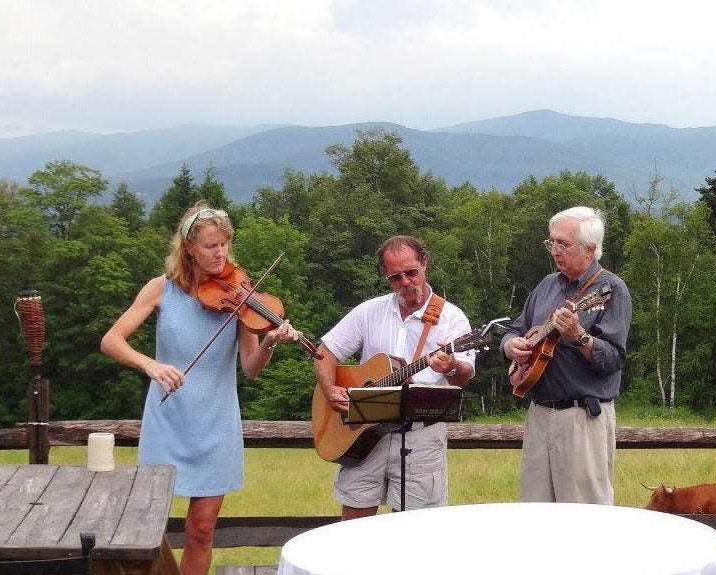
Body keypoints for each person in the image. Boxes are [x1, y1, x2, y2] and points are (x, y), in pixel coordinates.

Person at [100, 203, 301, 575]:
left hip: (217, 422)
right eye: (211, 246)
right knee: (146, 529)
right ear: (189, 248)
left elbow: (251, 368)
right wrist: (151, 364)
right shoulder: (160, 288)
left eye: (225, 244)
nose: (221, 253)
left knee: (202, 530)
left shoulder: (240, 295)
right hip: (168, 419)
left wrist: (270, 342)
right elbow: (111, 340)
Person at [315, 235, 475, 520]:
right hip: (364, 435)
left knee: (416, 533)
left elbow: (464, 376)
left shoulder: (452, 318)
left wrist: (450, 366)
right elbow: (325, 352)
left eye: (411, 272)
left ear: (425, 264)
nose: (405, 282)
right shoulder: (370, 311)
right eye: (395, 277)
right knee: (353, 529)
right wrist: (329, 389)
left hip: (421, 436)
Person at [501, 206, 632, 504]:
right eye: (552, 242)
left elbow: (613, 360)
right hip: (539, 415)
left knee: (584, 519)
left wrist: (579, 336)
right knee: (535, 513)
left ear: (590, 249)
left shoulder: (611, 290)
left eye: (563, 244)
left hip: (581, 418)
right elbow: (514, 330)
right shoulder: (546, 285)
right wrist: (510, 346)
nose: (555, 250)